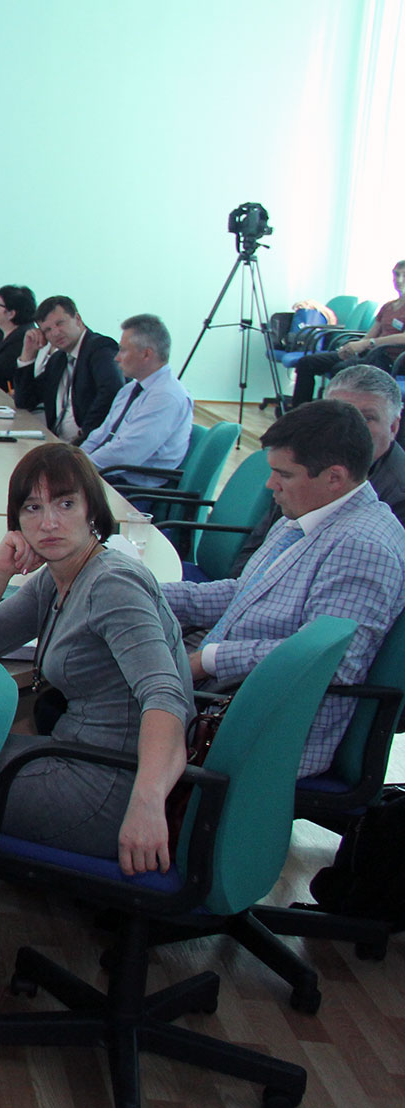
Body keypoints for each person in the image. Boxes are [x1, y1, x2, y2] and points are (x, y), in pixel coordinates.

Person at [0, 443, 194, 868]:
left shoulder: (112, 585)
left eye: (65, 504)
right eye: (32, 508)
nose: (48, 523)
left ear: (92, 510)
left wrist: (148, 804)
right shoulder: (59, 575)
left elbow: (165, 696)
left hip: (109, 788)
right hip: (73, 755)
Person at [162, 400, 405, 776]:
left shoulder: (362, 547)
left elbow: (328, 661)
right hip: (227, 694)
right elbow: (245, 594)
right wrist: (147, 591)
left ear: (334, 477)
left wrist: (207, 660)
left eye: (284, 474)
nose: (270, 484)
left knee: (88, 704)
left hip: (267, 730)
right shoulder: (310, 513)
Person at [228, 365, 405, 576]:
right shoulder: (300, 466)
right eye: (337, 418)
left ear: (393, 427)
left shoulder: (397, 500)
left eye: (366, 418)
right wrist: (242, 590)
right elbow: (259, 547)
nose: (349, 430)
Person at [78, 314, 193, 488]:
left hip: (130, 489)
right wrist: (76, 459)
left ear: (146, 354)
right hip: (108, 477)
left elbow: (126, 452)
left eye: (123, 350)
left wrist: (79, 470)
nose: (117, 358)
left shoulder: (167, 396)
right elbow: (101, 434)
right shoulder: (130, 390)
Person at [289, 260, 405, 402]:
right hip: (372, 353)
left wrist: (369, 343)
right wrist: (353, 349)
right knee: (306, 363)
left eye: (404, 275)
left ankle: (338, 413)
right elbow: (370, 336)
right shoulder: (388, 307)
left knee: (341, 370)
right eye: (396, 275)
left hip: (393, 361)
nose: (399, 280)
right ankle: (301, 412)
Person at [14, 295, 122, 443]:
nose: (55, 333)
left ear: (77, 319)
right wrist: (28, 354)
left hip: (88, 446)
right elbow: (25, 401)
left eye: (60, 323)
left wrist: (85, 435)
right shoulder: (57, 361)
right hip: (56, 442)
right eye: (47, 330)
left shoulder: (100, 348)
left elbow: (112, 390)